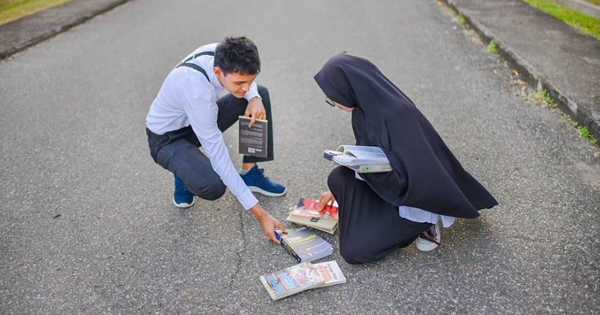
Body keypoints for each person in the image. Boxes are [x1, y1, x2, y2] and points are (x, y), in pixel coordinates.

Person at [313, 53, 498, 264]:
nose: (334, 103)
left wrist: (370, 174)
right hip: (389, 186)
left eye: (333, 97)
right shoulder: (363, 109)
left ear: (348, 87)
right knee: (339, 178)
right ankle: (378, 224)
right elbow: (371, 152)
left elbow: (420, 176)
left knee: (354, 252)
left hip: (418, 201)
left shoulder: (397, 115)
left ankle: (424, 225)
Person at [146, 36, 287, 243]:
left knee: (260, 95)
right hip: (167, 139)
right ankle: (183, 169)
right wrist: (261, 214)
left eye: (250, 81)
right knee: (213, 185)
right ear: (218, 72)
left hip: (194, 121)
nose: (245, 87)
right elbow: (220, 158)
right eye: (239, 83)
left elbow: (248, 84)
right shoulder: (196, 91)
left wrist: (254, 97)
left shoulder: (221, 53)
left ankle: (249, 173)